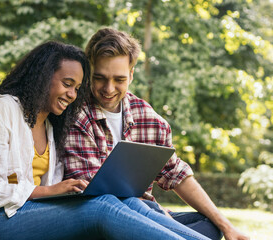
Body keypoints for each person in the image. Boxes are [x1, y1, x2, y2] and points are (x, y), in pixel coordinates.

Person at [0, 41, 212, 240]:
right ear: (42, 76)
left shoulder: (50, 125)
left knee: (122, 203)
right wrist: (46, 191)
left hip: (33, 215)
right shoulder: (0, 112)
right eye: (67, 84)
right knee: (101, 208)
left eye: (77, 88)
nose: (72, 95)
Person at [63, 28, 250, 240]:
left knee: (209, 226)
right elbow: (99, 199)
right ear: (89, 73)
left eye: (119, 79)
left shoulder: (147, 116)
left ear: (131, 75)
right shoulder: (75, 115)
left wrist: (227, 227)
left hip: (148, 214)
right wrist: (159, 217)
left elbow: (176, 174)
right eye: (100, 78)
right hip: (101, 225)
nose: (109, 88)